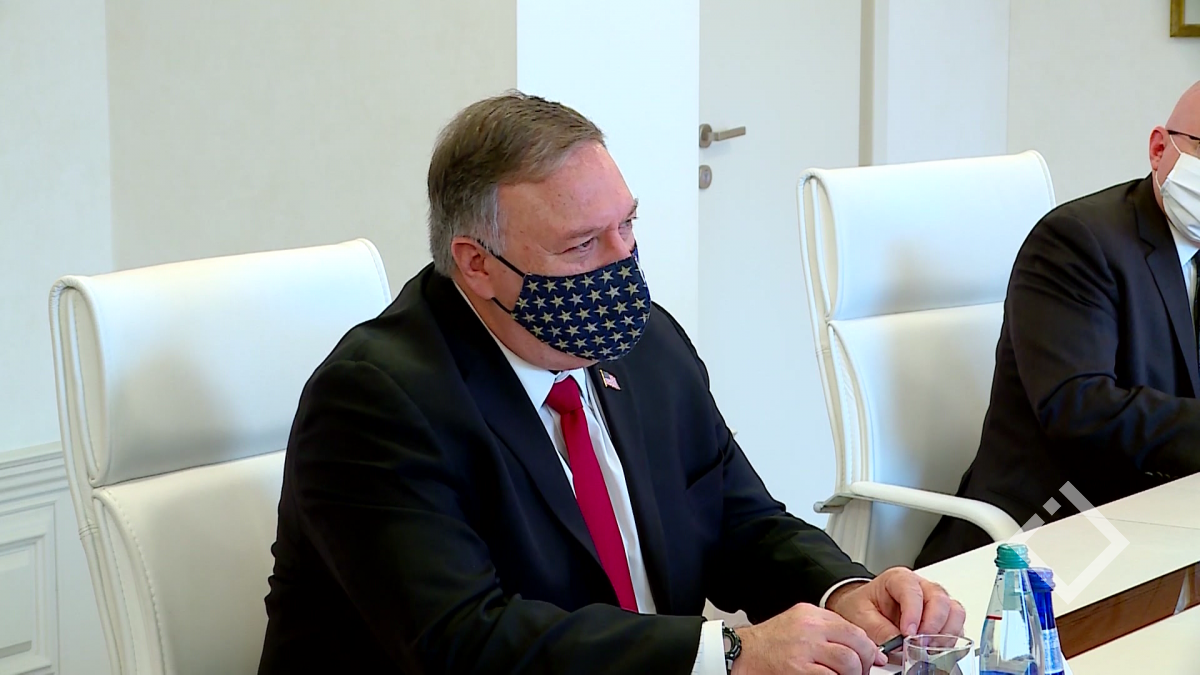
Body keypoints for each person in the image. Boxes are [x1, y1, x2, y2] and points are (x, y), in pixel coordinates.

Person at [257, 91, 964, 675]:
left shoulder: (646, 344)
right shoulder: (377, 401)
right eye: (582, 244)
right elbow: (464, 641)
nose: (622, 263)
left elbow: (739, 521)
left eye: (627, 225)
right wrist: (727, 653)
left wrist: (844, 591)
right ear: (476, 263)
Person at [917, 81, 1200, 567]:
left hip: (1162, 526)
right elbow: (1081, 410)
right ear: (1160, 149)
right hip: (1048, 537)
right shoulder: (1077, 242)